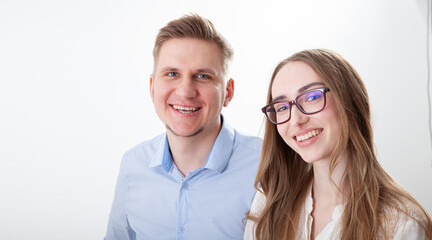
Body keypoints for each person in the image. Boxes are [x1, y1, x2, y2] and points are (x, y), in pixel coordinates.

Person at [244, 49, 432, 240]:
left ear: (348, 99)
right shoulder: (267, 205)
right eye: (282, 107)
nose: (296, 120)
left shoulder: (402, 224)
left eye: (311, 97)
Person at [105, 14, 262, 240]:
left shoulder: (267, 165)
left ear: (228, 92)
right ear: (152, 87)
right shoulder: (133, 165)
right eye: (172, 74)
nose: (185, 92)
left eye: (202, 76)